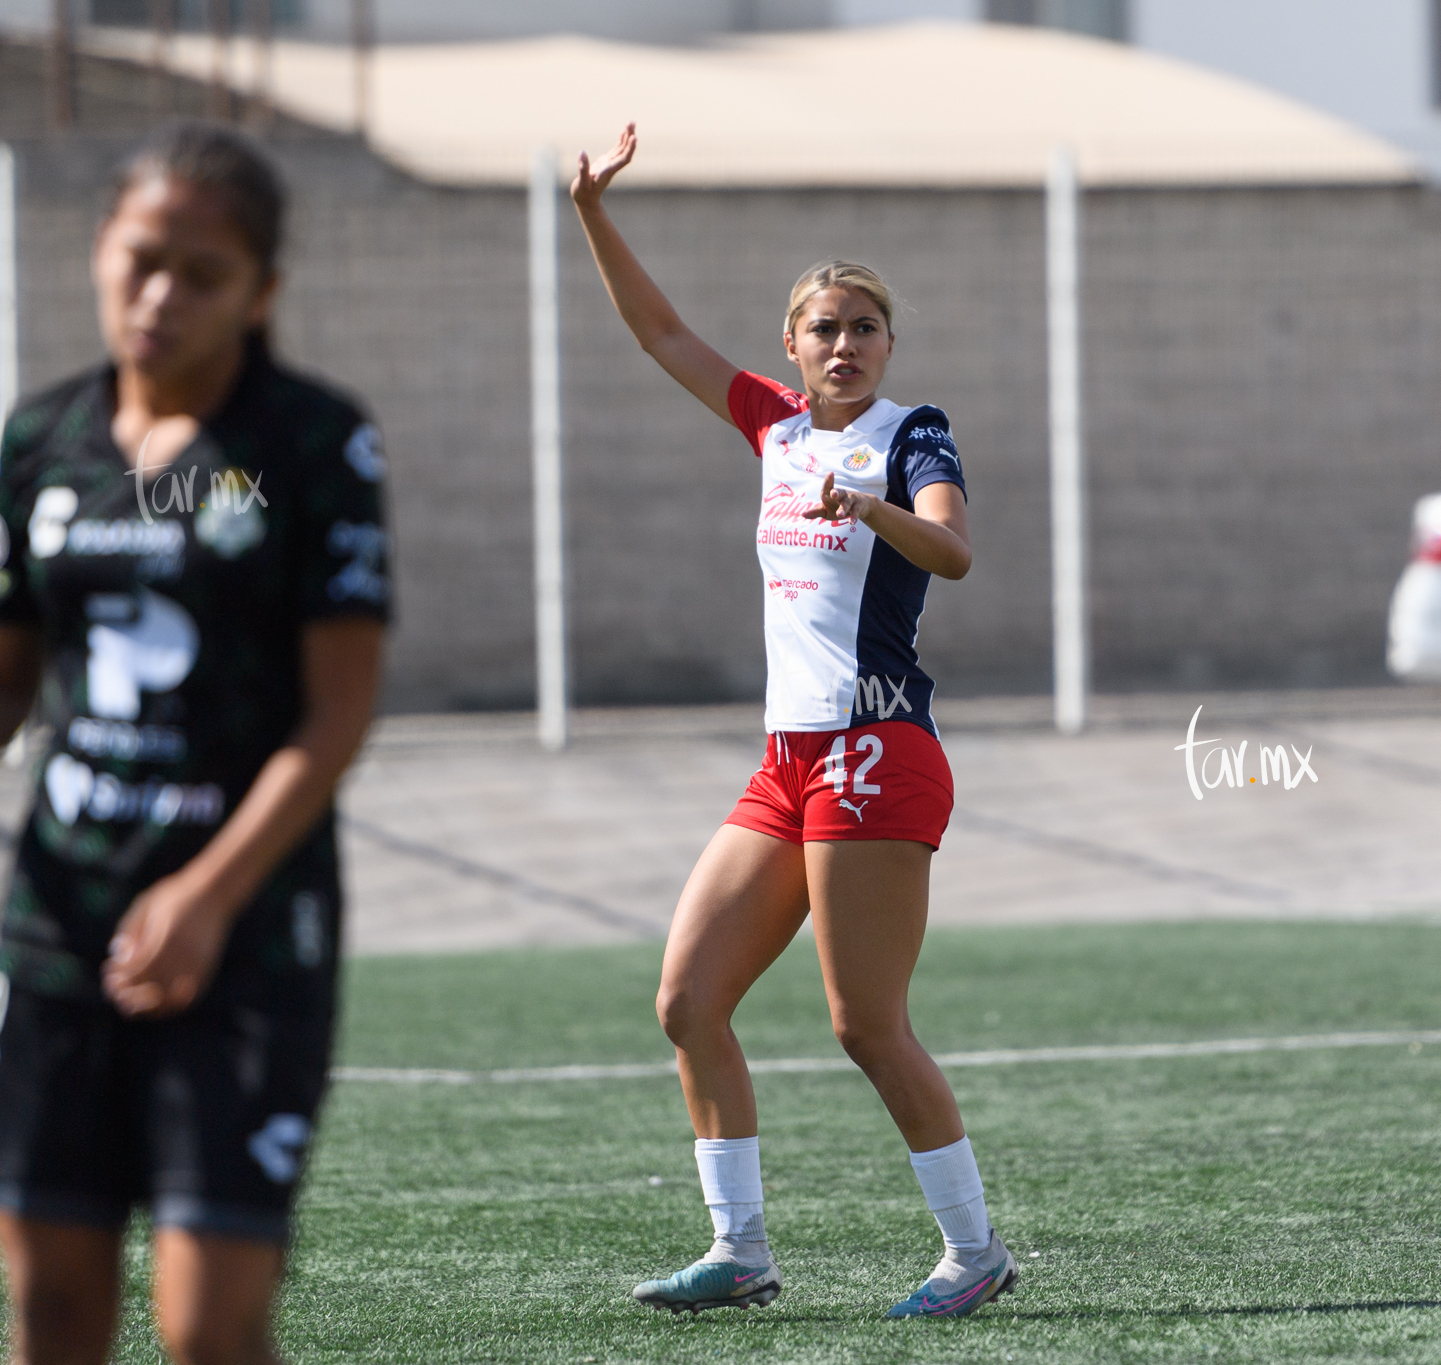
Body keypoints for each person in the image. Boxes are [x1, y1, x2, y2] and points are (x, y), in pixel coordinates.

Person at [0, 121, 392, 1365]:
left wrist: (206, 894)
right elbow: (0, 678)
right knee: (50, 1315)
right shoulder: (39, 442)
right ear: (100, 249)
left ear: (261, 293)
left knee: (208, 1329)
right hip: (61, 919)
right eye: (141, 258)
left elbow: (339, 712)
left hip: (246, 929)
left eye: (202, 275)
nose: (160, 296)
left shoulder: (312, 444)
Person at [569, 124, 1015, 1320]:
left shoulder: (910, 433)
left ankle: (973, 1253)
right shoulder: (770, 425)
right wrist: (590, 215)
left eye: (863, 327)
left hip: (877, 750)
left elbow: (955, 554)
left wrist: (868, 507)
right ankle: (740, 1251)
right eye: (824, 327)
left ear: (886, 345)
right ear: (792, 345)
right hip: (785, 759)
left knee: (864, 1024)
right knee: (685, 1001)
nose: (844, 344)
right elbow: (661, 335)